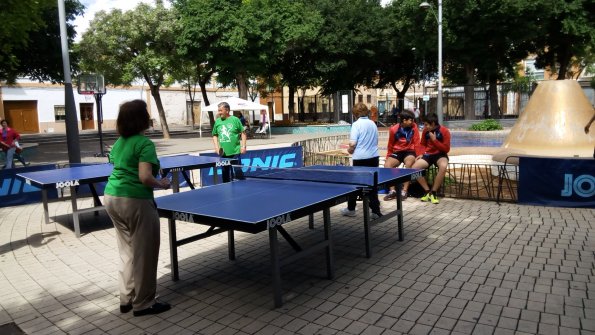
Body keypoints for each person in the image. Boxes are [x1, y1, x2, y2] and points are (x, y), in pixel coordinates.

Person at [103, 100, 172, 317]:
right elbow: (144, 177)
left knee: (127, 251)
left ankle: (126, 299)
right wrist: (162, 184)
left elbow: (117, 163)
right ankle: (144, 304)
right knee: (145, 252)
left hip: (112, 197)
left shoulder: (118, 143)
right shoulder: (144, 143)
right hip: (135, 200)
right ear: (140, 118)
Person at [340, 103, 382, 220]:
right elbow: (376, 141)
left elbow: (352, 144)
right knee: (372, 185)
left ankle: (351, 209)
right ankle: (375, 211)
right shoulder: (373, 124)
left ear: (355, 114)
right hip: (374, 157)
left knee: (355, 185)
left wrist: (349, 150)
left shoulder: (356, 125)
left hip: (360, 158)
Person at [410, 113, 451, 204]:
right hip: (428, 155)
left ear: (432, 123)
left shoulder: (445, 131)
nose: (424, 127)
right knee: (414, 168)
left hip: (440, 154)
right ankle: (427, 191)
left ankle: (434, 192)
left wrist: (434, 140)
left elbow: (446, 149)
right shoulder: (425, 131)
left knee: (443, 166)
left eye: (426, 124)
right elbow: (423, 144)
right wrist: (421, 153)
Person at [383, 110, 420, 201]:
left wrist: (419, 155)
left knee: (409, 164)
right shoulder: (393, 129)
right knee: (387, 165)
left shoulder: (414, 127)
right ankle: (392, 191)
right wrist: (388, 156)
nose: (413, 122)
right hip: (398, 151)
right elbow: (390, 144)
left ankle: (404, 191)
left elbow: (417, 142)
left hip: (409, 151)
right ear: (404, 120)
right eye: (411, 120)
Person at [212, 102, 247, 182]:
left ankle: (241, 190)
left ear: (227, 110)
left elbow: (243, 133)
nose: (219, 112)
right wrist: (217, 148)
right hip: (223, 154)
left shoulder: (235, 120)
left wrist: (243, 146)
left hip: (235, 152)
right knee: (225, 175)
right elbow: (214, 135)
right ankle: (227, 191)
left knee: (238, 173)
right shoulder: (217, 122)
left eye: (221, 110)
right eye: (218, 110)